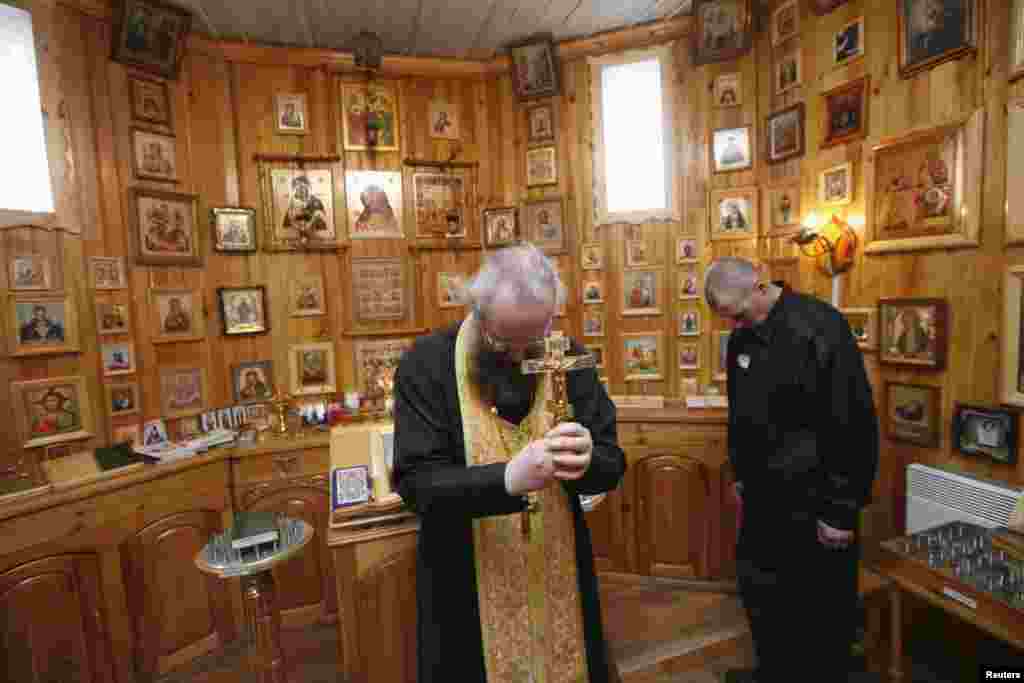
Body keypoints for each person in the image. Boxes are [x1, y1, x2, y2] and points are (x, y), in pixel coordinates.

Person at [394, 243, 626, 683]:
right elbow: (416, 484)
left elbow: (613, 459)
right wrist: (505, 479)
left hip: (558, 574)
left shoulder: (565, 356)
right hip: (466, 577)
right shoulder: (427, 365)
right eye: (504, 342)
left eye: (532, 341)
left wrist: (588, 459)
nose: (520, 357)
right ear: (478, 313)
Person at [703, 257, 878, 683]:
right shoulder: (743, 339)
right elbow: (741, 416)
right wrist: (741, 474)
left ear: (760, 286)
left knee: (820, 610)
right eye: (729, 319)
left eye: (740, 314)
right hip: (764, 500)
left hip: (816, 501)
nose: (735, 326)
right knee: (762, 597)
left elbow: (852, 422)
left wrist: (840, 511)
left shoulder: (821, 327)